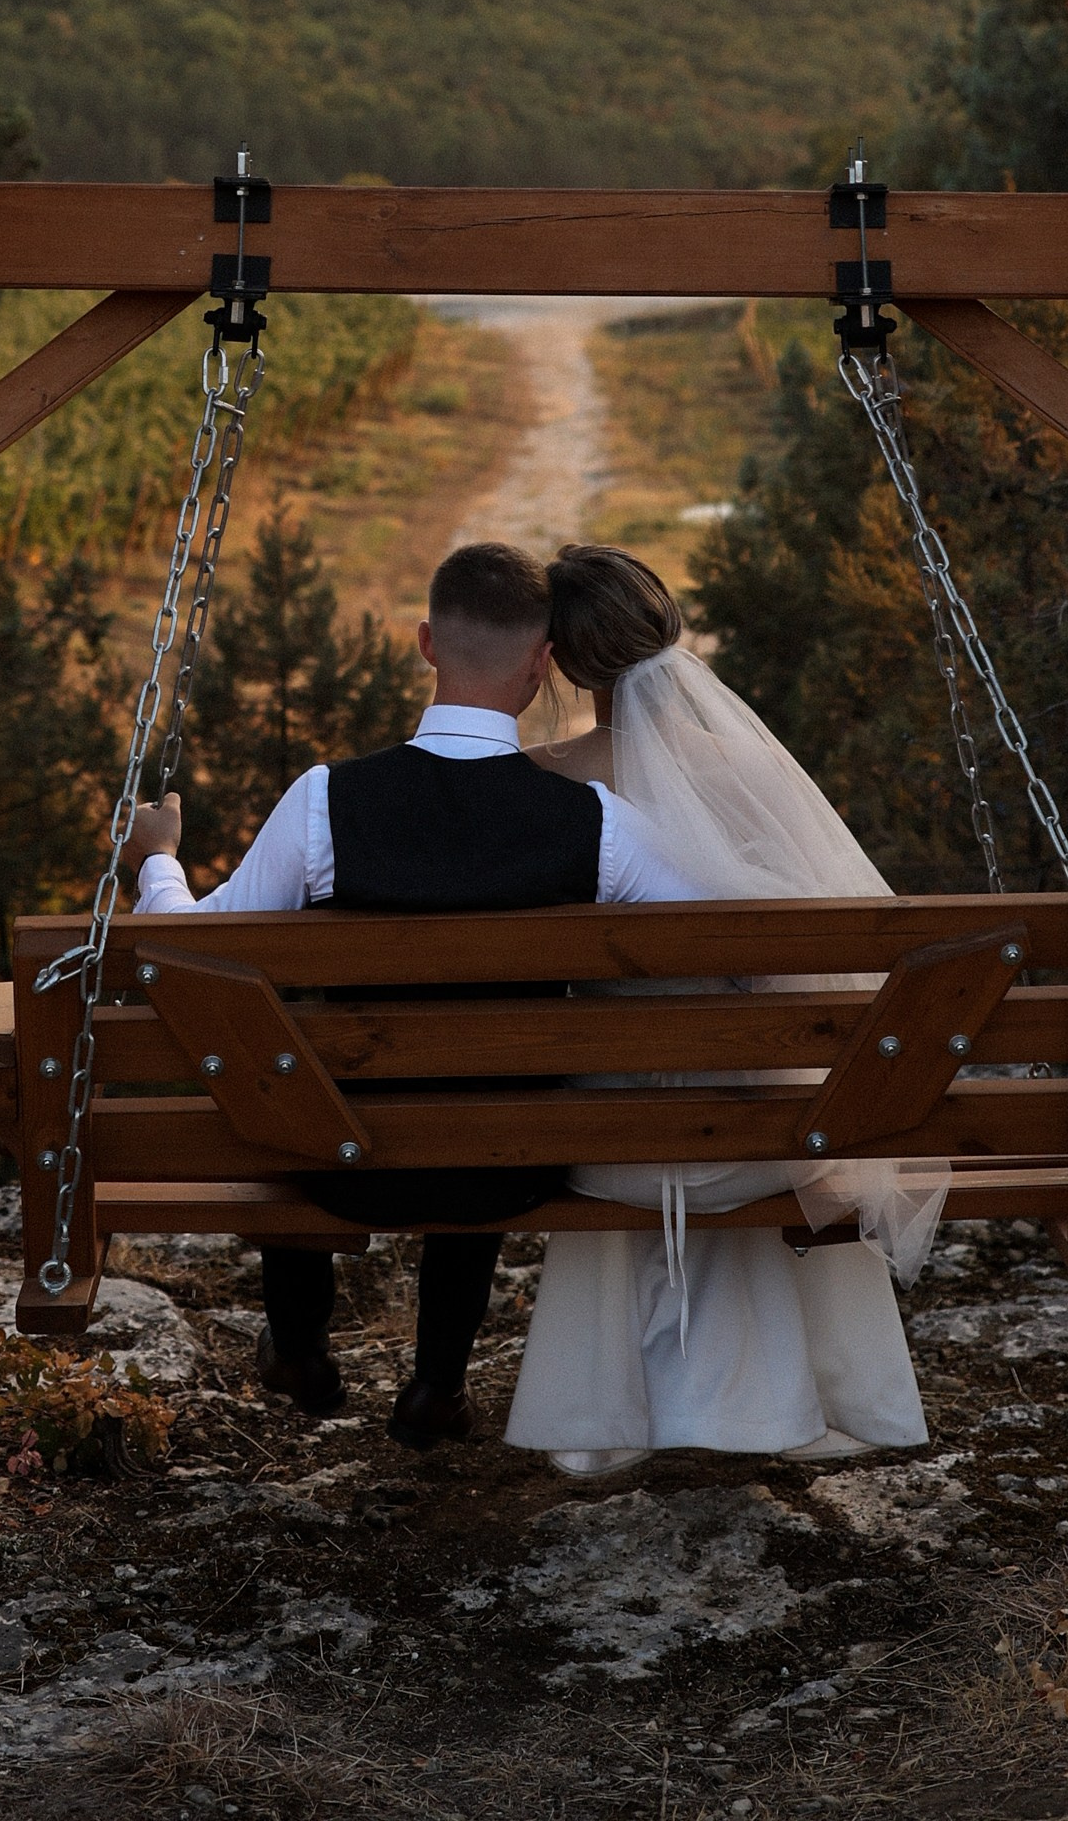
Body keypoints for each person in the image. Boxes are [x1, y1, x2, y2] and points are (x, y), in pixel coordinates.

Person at [122, 538, 703, 1450]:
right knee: (484, 1086)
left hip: (342, 1161)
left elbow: (194, 950)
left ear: (427, 643)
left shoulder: (325, 801)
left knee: (289, 1084)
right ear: (542, 663)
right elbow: (714, 937)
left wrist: (157, 860)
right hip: (510, 1169)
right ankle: (436, 1383)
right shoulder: (595, 824)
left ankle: (303, 1345)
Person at [502, 544, 945, 1476]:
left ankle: (622, 1415)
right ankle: (781, 1401)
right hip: (759, 1144)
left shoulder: (534, 779)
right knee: (770, 1098)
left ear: (564, 660)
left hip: (606, 1150)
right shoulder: (752, 772)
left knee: (623, 1092)